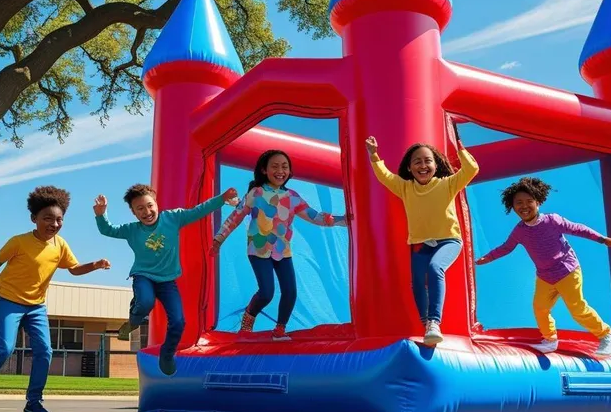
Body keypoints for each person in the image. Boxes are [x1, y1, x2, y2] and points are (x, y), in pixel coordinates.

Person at [0, 186, 110, 412]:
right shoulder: (19, 242)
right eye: (47, 218)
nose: (54, 224)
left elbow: (74, 269)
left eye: (59, 219)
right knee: (4, 348)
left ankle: (34, 402)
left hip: (36, 306)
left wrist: (95, 265)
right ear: (34, 219)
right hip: (9, 301)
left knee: (44, 351)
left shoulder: (60, 245)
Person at [94, 183, 237, 376]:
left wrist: (221, 198)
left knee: (178, 321)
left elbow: (199, 211)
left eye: (149, 205)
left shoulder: (172, 218)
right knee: (145, 302)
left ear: (156, 204)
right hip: (143, 275)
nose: (147, 211)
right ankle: (134, 320)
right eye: (140, 209)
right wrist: (101, 215)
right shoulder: (131, 230)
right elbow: (108, 230)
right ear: (134, 213)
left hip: (167, 280)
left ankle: (167, 353)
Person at [475, 177, 611, 357]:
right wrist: (488, 257)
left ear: (538, 202)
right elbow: (506, 247)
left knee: (577, 308)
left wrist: (604, 240)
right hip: (545, 276)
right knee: (540, 307)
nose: (524, 206)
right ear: (512, 206)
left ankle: (607, 336)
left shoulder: (552, 221)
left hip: (567, 271)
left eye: (529, 201)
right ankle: (550, 339)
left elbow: (579, 229)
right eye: (518, 203)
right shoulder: (520, 231)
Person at [211, 149, 348, 341]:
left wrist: (342, 220)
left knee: (290, 291)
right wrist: (218, 239)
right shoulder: (256, 193)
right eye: (274, 166)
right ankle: (247, 322)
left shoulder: (292, 197)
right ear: (264, 170)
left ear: (290, 172)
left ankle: (280, 330)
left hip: (282, 251)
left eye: (284, 167)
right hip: (258, 249)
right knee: (267, 292)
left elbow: (315, 216)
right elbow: (236, 216)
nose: (280, 171)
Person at [366, 133, 479, 346]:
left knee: (436, 268)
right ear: (410, 168)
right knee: (417, 282)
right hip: (420, 244)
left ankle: (435, 322)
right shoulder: (406, 188)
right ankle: (427, 324)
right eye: (417, 161)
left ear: (436, 165)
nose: (423, 165)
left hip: (449, 241)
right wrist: (374, 155)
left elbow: (472, 170)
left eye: (428, 160)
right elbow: (385, 177)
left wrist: (459, 147)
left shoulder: (448, 184)